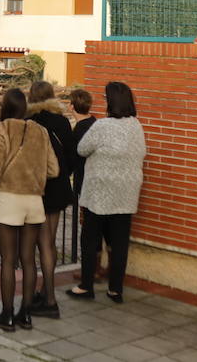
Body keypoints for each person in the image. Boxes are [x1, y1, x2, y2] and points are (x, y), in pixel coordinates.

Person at [0, 87, 58, 332]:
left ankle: (7, 315)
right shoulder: (41, 131)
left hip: (10, 198)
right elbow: (53, 170)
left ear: (5, 107)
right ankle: (26, 313)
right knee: (28, 259)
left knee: (8, 260)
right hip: (34, 200)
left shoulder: (2, 129)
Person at [68, 80, 145, 303]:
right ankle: (115, 289)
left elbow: (82, 149)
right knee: (119, 243)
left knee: (90, 240)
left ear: (111, 102)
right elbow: (142, 152)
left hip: (100, 193)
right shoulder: (136, 126)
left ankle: (86, 286)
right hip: (126, 192)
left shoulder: (102, 126)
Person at [26, 80, 76, 319]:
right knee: (49, 242)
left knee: (30, 245)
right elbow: (71, 157)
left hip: (33, 188)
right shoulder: (62, 122)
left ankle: (42, 297)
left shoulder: (27, 123)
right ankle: (48, 293)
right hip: (57, 188)